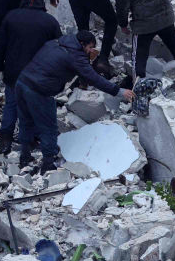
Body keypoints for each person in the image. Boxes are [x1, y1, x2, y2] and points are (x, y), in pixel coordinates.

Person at [15, 30, 134, 173]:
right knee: (48, 127)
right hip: (39, 91)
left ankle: (25, 156)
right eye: (90, 48)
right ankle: (48, 163)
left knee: (26, 120)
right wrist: (119, 91)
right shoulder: (76, 56)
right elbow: (93, 77)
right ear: (82, 44)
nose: (91, 51)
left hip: (22, 82)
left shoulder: (57, 42)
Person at [0, 0, 61, 155]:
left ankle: (5, 139)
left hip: (14, 72)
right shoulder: (49, 21)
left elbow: (0, 45)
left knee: (12, 105)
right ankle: (34, 139)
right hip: (39, 75)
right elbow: (59, 49)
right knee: (37, 106)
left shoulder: (10, 18)